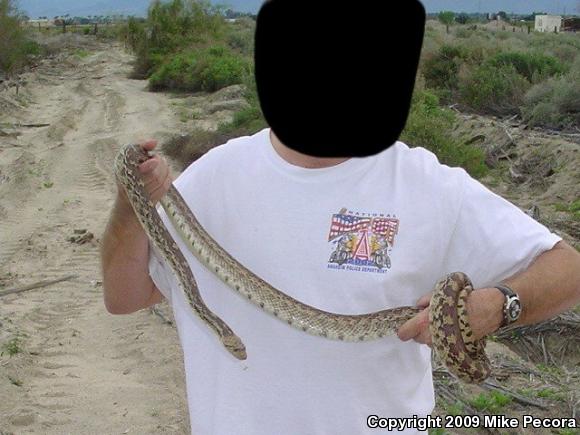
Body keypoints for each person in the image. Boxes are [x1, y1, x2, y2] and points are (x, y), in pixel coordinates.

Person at [101, 129, 580, 435]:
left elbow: (569, 270)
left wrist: (496, 307)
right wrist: (131, 205)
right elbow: (126, 298)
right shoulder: (215, 175)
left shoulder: (428, 185)